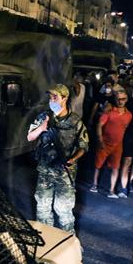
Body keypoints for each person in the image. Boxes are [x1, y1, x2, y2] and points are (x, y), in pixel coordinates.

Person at [26, 84, 89, 233]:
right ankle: (46, 239)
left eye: (55, 97)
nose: (51, 100)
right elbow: (30, 137)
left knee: (63, 210)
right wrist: (41, 128)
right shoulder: (43, 117)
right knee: (42, 208)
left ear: (65, 98)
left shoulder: (75, 122)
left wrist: (73, 159)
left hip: (64, 173)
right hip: (45, 171)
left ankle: (68, 242)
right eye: (50, 96)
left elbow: (84, 146)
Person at [91, 90, 133, 198]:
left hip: (118, 145)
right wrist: (100, 140)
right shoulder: (109, 112)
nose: (120, 101)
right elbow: (99, 125)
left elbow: (125, 128)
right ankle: (94, 185)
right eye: (118, 99)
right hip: (104, 143)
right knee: (97, 165)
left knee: (116, 168)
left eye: (123, 99)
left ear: (126, 100)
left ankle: (112, 191)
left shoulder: (129, 115)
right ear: (115, 99)